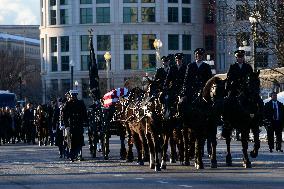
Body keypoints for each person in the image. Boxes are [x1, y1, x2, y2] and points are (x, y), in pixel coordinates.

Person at [180, 48, 213, 169]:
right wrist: (185, 92)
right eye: (197, 55)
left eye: (200, 55)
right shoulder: (190, 66)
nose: (199, 56)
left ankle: (214, 120)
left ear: (203, 56)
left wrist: (206, 90)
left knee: (213, 104)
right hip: (192, 92)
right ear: (195, 56)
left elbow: (209, 80)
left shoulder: (206, 67)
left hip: (203, 91)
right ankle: (182, 120)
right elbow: (186, 80)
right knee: (182, 103)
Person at [63, 90, 88, 161]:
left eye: (74, 96)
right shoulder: (67, 104)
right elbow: (64, 116)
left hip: (79, 124)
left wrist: (86, 122)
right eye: (72, 96)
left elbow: (84, 113)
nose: (73, 97)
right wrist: (66, 125)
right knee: (71, 141)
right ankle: (72, 155)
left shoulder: (80, 103)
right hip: (71, 125)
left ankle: (79, 154)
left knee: (79, 140)